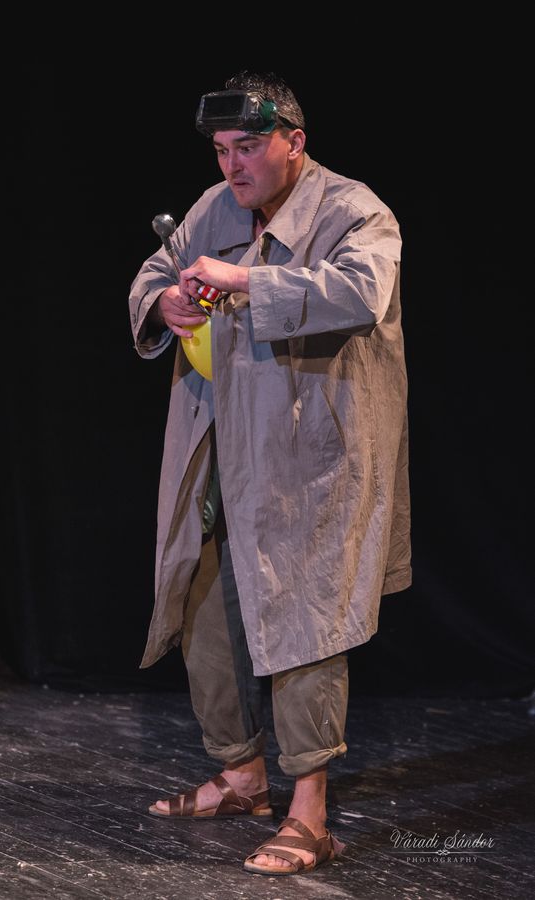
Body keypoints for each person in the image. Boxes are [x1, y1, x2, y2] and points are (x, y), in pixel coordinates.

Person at [128, 71, 411, 876]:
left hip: (307, 452)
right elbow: (154, 273)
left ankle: (309, 814)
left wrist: (245, 281)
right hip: (220, 441)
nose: (232, 166)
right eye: (222, 150)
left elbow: (361, 290)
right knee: (200, 597)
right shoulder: (214, 208)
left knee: (303, 617)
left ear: (295, 141)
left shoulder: (353, 210)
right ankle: (240, 773)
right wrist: (165, 304)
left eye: (248, 147)